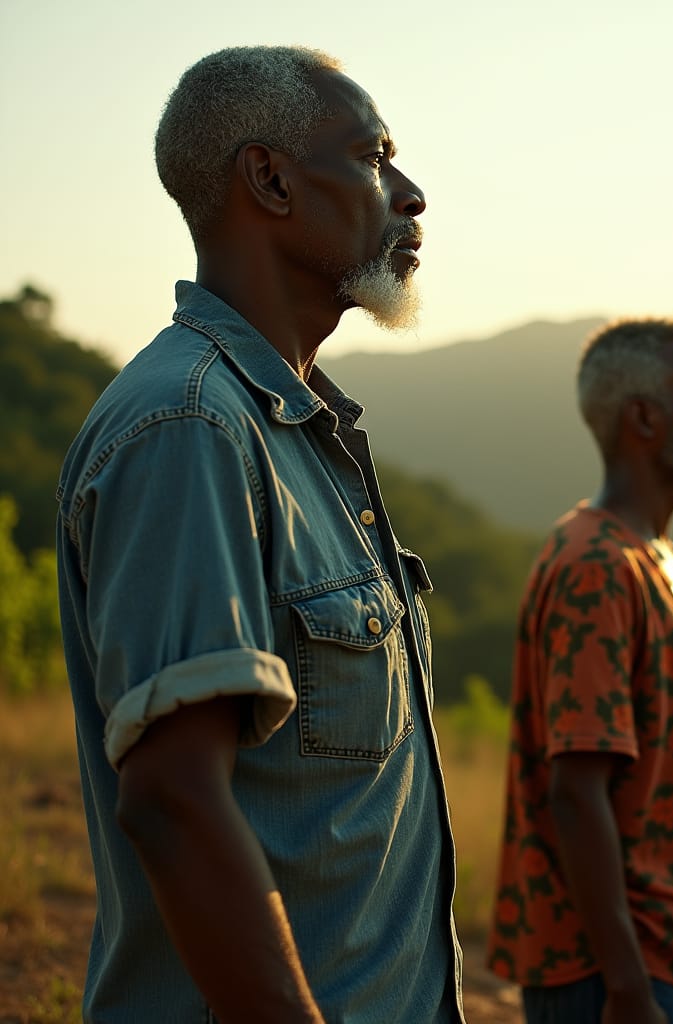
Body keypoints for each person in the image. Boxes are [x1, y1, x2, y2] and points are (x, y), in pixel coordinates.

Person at [56, 46, 464, 1024]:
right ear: (270, 178)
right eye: (375, 156)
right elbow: (173, 800)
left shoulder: (295, 429)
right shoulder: (191, 430)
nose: (411, 195)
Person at [487, 318, 673, 1023]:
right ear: (643, 418)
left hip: (659, 955)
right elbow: (576, 791)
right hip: (607, 973)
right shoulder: (595, 566)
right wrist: (628, 987)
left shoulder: (650, 554)